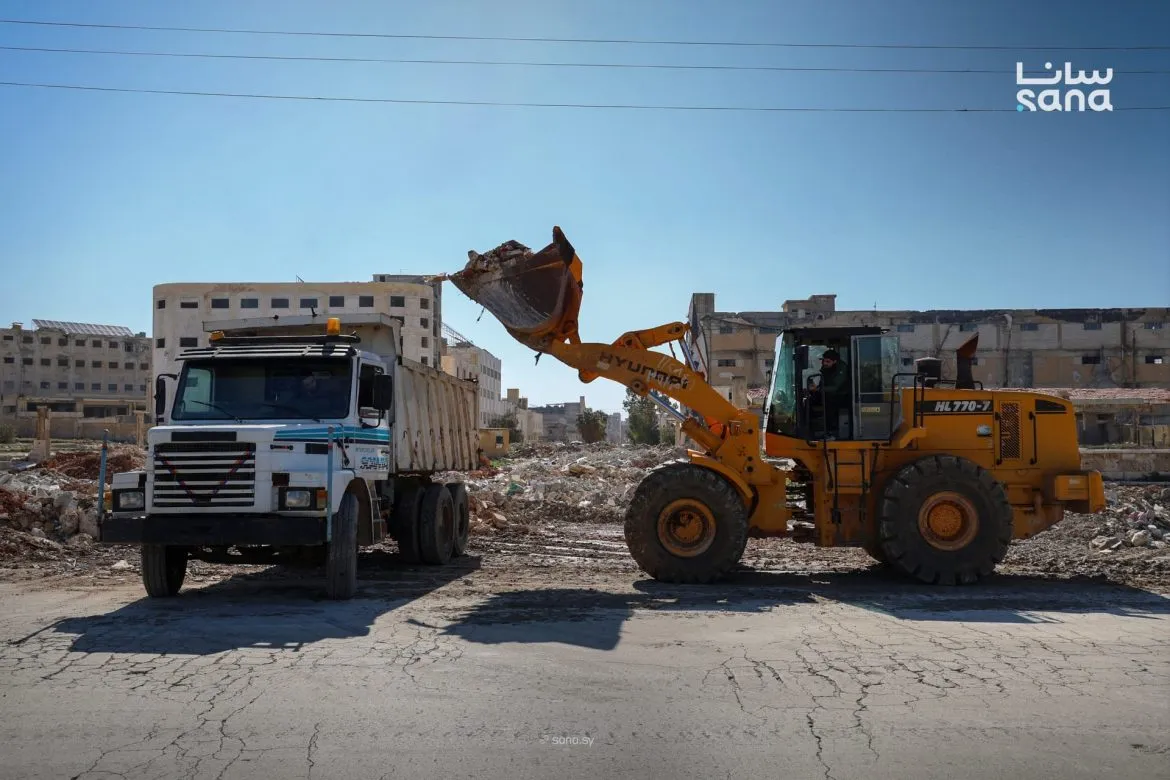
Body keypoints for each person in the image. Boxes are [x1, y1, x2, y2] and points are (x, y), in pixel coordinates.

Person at [816, 349, 851, 438]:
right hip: (829, 394)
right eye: (824, 361)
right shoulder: (827, 368)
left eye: (828, 361)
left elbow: (835, 387)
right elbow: (824, 381)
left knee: (831, 406)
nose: (825, 363)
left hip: (841, 396)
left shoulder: (842, 369)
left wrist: (818, 389)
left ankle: (832, 432)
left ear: (835, 361)